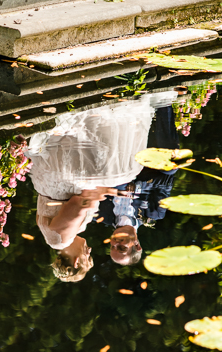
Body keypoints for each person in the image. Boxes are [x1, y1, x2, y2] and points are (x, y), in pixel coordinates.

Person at [27, 97, 157, 281]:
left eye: (88, 258)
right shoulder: (54, 238)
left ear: (76, 262)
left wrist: (103, 192)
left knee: (125, 171)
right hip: (49, 180)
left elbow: (79, 203)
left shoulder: (61, 240)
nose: (89, 251)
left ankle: (108, 105)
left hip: (62, 179)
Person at [97, 103, 181, 266]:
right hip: (147, 169)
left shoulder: (101, 215)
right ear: (137, 245)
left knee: (119, 183)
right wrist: (139, 187)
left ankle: (118, 111)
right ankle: (164, 104)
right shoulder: (154, 214)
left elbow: (90, 189)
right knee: (171, 166)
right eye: (121, 248)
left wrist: (113, 190)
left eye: (112, 247)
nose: (115, 243)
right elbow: (166, 183)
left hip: (116, 170)